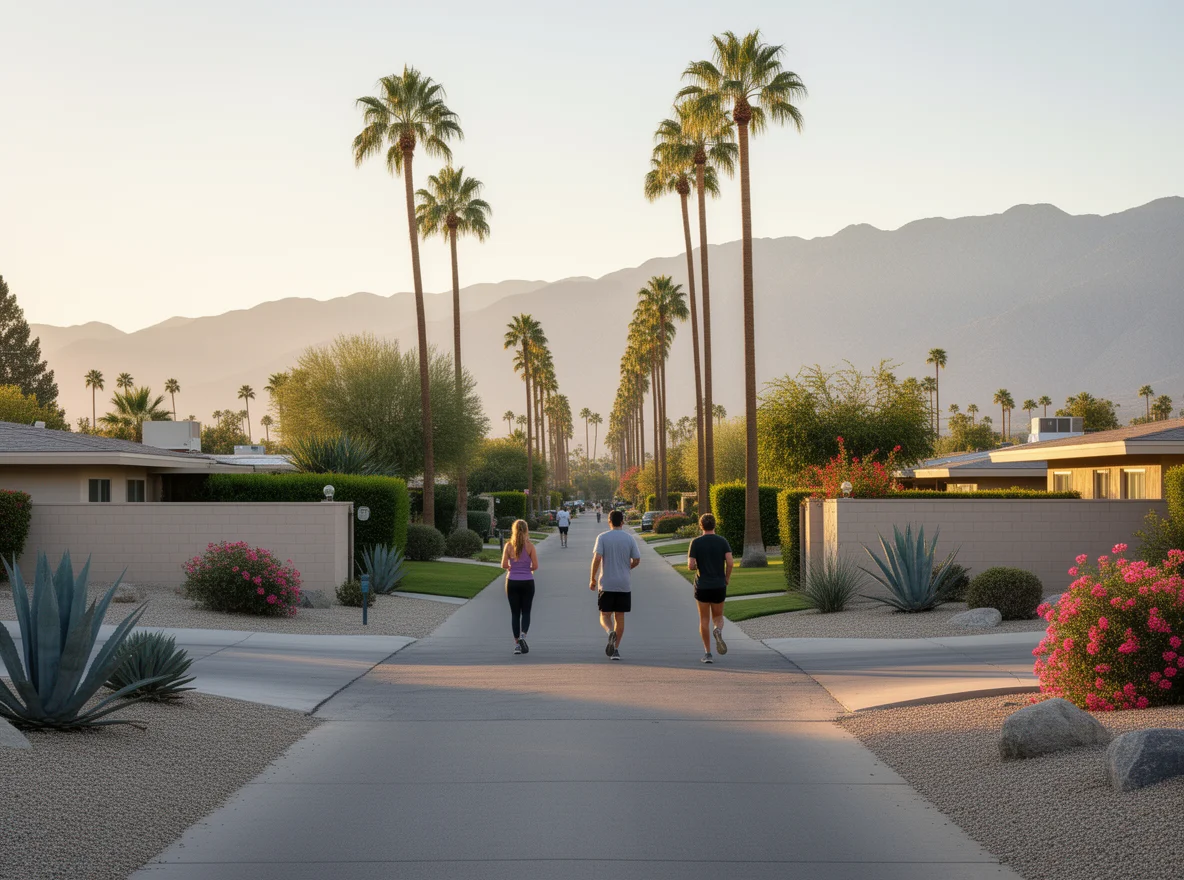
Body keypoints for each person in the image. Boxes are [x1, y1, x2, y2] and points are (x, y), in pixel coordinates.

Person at [589, 508, 640, 661]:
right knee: (620, 617)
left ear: (609, 521)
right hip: (623, 583)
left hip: (607, 583)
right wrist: (626, 567)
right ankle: (616, 649)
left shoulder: (602, 537)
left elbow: (597, 559)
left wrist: (592, 578)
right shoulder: (629, 538)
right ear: (622, 522)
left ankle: (610, 631)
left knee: (604, 615)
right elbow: (636, 560)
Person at [686, 513, 733, 664]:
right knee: (718, 617)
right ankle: (718, 630)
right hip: (719, 585)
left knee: (704, 620)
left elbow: (691, 565)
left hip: (702, 586)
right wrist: (726, 577)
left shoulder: (696, 542)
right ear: (714, 525)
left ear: (701, 526)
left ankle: (708, 653)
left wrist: (699, 566)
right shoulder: (722, 541)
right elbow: (730, 562)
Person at [500, 519, 539, 655]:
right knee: (526, 611)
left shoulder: (509, 546)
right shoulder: (530, 546)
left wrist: (512, 567)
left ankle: (517, 644)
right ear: (526, 530)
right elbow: (535, 566)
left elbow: (504, 565)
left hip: (512, 581)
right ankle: (523, 635)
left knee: (515, 613)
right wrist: (527, 568)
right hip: (528, 581)